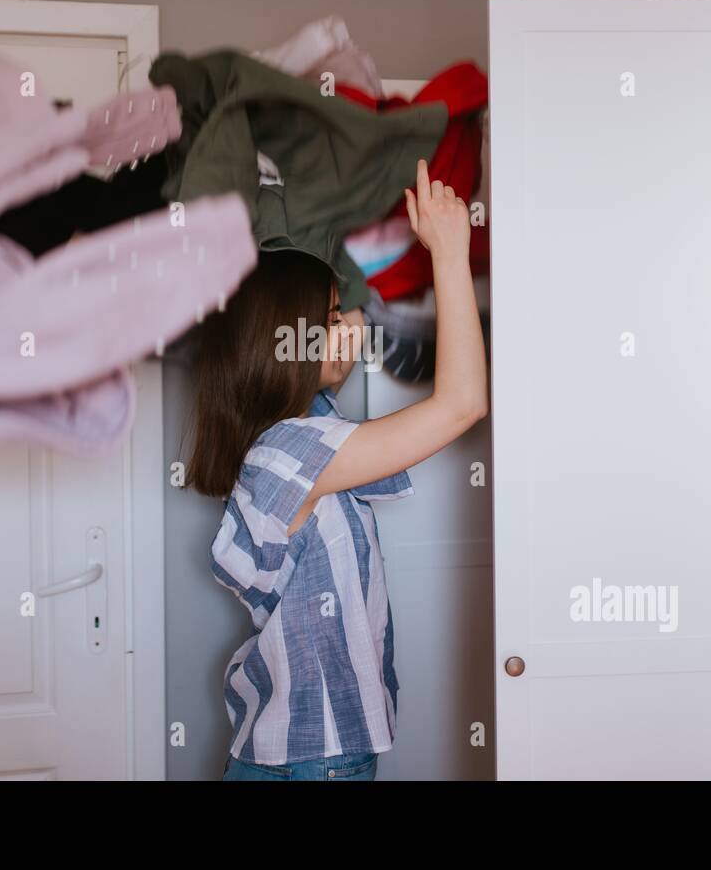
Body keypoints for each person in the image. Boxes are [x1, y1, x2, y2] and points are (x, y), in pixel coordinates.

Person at [187, 159, 488, 781]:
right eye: (328, 319)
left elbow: (348, 335)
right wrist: (449, 254)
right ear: (281, 344)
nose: (348, 327)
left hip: (306, 753)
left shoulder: (299, 437)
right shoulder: (292, 451)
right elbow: (462, 404)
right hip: (313, 760)